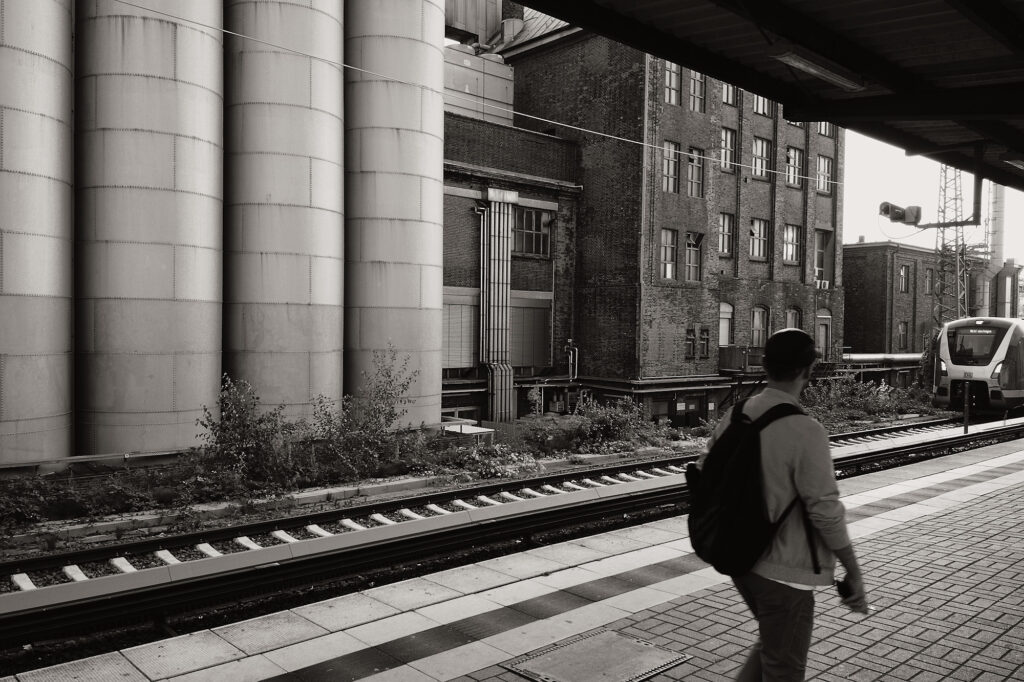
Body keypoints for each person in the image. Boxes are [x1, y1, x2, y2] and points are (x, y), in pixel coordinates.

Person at [702, 328, 869, 681]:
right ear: (809, 370)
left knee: (771, 646)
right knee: (784, 668)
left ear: (765, 366)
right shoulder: (806, 430)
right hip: (784, 575)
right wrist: (853, 571)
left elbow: (706, 475)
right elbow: (825, 510)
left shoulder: (736, 413)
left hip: (740, 559)